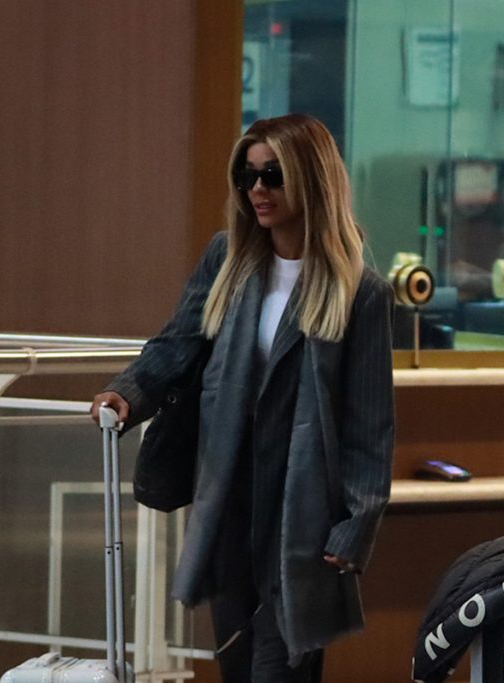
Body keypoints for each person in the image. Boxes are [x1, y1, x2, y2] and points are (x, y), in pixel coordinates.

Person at [90, 114, 394, 682]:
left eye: (274, 175)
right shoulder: (227, 260)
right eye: (247, 175)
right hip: (229, 500)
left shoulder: (361, 292)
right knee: (236, 663)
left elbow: (369, 424)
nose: (257, 189)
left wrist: (358, 521)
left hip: (302, 513)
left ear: (312, 179)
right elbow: (177, 342)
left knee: (279, 668)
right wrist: (127, 392)